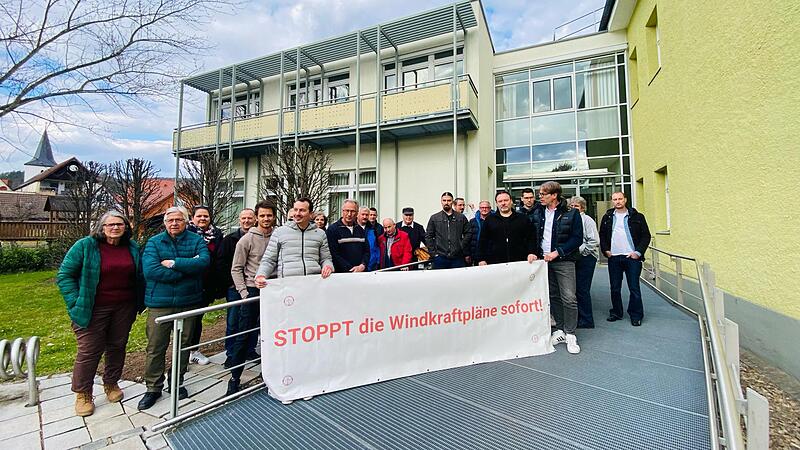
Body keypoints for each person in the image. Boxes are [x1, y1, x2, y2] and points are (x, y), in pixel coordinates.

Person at [56, 211, 144, 417]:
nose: (115, 228)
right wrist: (75, 301)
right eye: (110, 224)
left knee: (117, 346)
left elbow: (139, 275)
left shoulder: (132, 247)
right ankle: (83, 393)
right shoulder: (86, 246)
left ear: (126, 227)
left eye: (120, 224)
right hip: (92, 308)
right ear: (101, 227)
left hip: (124, 307)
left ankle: (111, 383)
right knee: (89, 350)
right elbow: (65, 275)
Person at [255, 198, 333, 405]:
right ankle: (286, 381)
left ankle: (307, 380)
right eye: (295, 210)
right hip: (288, 292)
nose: (298, 213)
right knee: (289, 337)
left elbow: (326, 258)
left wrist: (328, 266)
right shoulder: (280, 232)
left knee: (310, 336)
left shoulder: (319, 233)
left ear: (310, 213)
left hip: (312, 291)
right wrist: (261, 275)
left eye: (302, 210)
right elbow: (269, 259)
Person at [138, 206, 210, 410]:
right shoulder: (154, 242)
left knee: (184, 345)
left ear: (187, 222)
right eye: (170, 220)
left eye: (179, 220)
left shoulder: (196, 240)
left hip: (188, 301)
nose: (174, 223)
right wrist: (186, 270)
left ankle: (177, 382)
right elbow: (151, 270)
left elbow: (204, 263)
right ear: (165, 223)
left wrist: (173, 263)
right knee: (155, 346)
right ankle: (153, 387)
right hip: (160, 303)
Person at [227, 201, 276, 394]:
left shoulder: (277, 237)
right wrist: (244, 292)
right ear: (257, 217)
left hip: (273, 291)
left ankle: (271, 372)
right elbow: (236, 268)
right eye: (262, 215)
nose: (266, 219)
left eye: (269, 215)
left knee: (273, 333)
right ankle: (234, 377)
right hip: (251, 291)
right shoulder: (246, 240)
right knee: (244, 333)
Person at [532, 181, 583, 354]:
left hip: (564, 261)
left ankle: (570, 333)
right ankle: (560, 329)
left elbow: (577, 239)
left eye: (543, 194)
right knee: (553, 295)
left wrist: (557, 252)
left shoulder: (572, 213)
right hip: (544, 262)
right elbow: (534, 234)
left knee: (569, 297)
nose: (540, 197)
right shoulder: (538, 212)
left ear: (554, 195)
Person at [599, 190, 652, 327]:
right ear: (612, 201)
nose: (618, 201)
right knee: (615, 288)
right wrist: (606, 251)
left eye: (620, 199)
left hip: (632, 258)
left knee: (634, 287)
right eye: (615, 199)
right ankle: (616, 312)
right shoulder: (608, 217)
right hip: (614, 258)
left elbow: (646, 236)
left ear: (625, 200)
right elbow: (602, 236)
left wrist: (638, 252)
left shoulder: (637, 216)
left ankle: (636, 315)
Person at [216, 208, 256, 359]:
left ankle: (250, 350)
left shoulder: (260, 238)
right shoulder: (230, 239)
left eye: (249, 218)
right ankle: (231, 353)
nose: (246, 221)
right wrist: (231, 283)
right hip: (234, 287)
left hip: (252, 285)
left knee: (252, 319)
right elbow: (221, 263)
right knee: (233, 321)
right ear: (239, 220)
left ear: (254, 220)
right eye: (244, 218)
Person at [185, 205, 223, 365]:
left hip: (207, 283)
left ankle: (193, 350)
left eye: (206, 216)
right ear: (192, 218)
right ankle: (183, 351)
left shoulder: (217, 235)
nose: (202, 219)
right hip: (188, 282)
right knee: (187, 319)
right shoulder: (186, 234)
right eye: (199, 216)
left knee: (197, 318)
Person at [477, 192, 538, 265]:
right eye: (500, 201)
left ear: (511, 201)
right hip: (495, 262)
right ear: (496, 203)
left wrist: (532, 252)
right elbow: (483, 241)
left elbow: (531, 238)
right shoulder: (489, 220)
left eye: (506, 200)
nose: (503, 203)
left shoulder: (523, 219)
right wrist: (481, 259)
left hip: (520, 262)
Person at [570, 196, 600, 328]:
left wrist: (582, 252)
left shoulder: (587, 220)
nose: (573, 208)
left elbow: (594, 241)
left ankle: (587, 320)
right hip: (575, 257)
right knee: (574, 289)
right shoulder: (570, 219)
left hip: (586, 257)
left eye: (576, 206)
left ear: (582, 207)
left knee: (583, 289)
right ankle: (579, 317)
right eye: (571, 206)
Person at [425, 191, 472, 269]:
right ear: (441, 202)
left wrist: (461, 246)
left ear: (452, 202)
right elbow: (428, 236)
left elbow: (468, 233)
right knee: (440, 280)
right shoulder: (434, 218)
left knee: (458, 280)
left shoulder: (461, 217)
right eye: (444, 200)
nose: (446, 202)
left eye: (449, 200)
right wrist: (434, 253)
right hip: (440, 258)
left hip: (457, 257)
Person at [326, 200, 370, 273]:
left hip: (360, 273)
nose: (349, 214)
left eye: (352, 211)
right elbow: (333, 254)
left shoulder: (360, 230)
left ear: (357, 213)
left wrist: (363, 265)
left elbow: (366, 251)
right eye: (347, 211)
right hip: (341, 275)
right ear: (342, 211)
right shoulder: (333, 230)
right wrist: (350, 269)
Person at [357, 206, 381, 271]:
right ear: (357, 215)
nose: (365, 217)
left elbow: (376, 246)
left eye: (366, 215)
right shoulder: (353, 229)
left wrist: (378, 261)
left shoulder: (373, 229)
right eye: (363, 214)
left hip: (372, 266)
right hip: (357, 267)